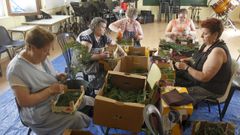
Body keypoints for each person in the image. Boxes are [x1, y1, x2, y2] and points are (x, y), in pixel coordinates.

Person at [6, 26, 92, 135]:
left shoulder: (40, 56)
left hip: (55, 99)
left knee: (88, 100)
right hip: (39, 112)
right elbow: (25, 101)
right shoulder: (16, 69)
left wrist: (57, 76)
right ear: (31, 47)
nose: (48, 54)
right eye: (45, 50)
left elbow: (46, 73)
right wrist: (50, 90)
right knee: (77, 118)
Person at [174, 18, 232, 104]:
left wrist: (186, 67)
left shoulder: (217, 51)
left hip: (209, 88)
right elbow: (201, 58)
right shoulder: (207, 44)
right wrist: (189, 59)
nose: (201, 36)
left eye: (205, 33)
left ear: (215, 35)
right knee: (172, 77)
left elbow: (204, 77)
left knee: (174, 94)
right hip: (198, 80)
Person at [73, 17, 126, 87]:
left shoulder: (101, 35)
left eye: (105, 27)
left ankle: (107, 82)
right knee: (106, 65)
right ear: (95, 27)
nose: (105, 29)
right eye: (103, 27)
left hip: (92, 57)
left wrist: (124, 54)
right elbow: (83, 57)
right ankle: (98, 86)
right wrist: (100, 56)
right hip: (82, 63)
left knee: (111, 61)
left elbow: (114, 45)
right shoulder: (87, 38)